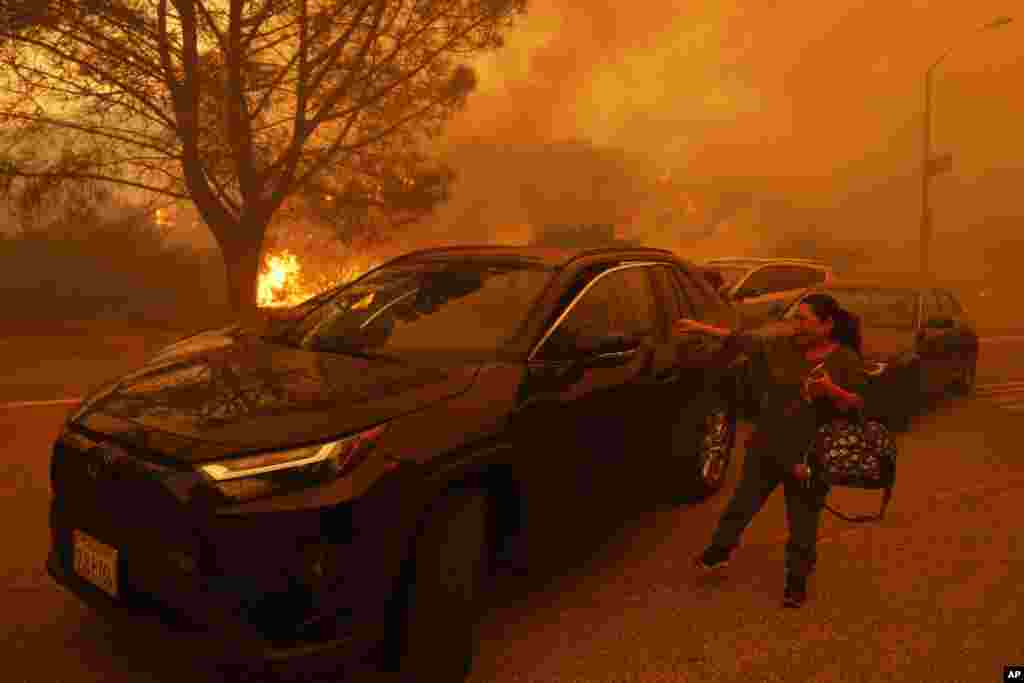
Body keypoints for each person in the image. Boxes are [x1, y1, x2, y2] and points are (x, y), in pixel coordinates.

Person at [673, 293, 867, 608]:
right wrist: (699, 328)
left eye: (804, 320)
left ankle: (796, 583)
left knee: (802, 522)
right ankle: (718, 553)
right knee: (742, 504)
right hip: (768, 447)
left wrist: (831, 390)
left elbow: (859, 404)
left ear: (827, 325)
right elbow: (745, 340)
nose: (796, 326)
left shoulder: (844, 359)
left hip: (809, 457)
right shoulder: (781, 348)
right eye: (795, 319)